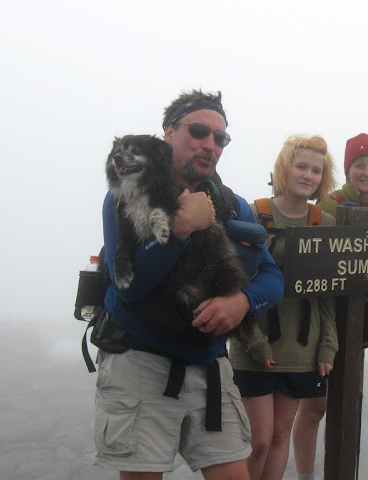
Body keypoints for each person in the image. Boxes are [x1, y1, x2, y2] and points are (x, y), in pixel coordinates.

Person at [94, 89, 284, 480]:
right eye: (199, 131)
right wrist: (181, 228)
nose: (210, 144)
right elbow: (129, 288)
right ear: (168, 133)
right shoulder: (124, 196)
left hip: (209, 364)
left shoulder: (231, 204)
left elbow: (272, 277)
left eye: (220, 138)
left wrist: (241, 303)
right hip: (139, 359)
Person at [229, 134, 339, 480]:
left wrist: (328, 345)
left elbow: (326, 293)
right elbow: (234, 284)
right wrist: (253, 342)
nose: (308, 175)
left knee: (279, 437)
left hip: (301, 347)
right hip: (254, 344)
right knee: (258, 441)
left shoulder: (325, 223)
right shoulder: (254, 214)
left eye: (316, 170)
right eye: (301, 166)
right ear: (284, 168)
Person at [293, 132, 368, 480]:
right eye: (359, 165)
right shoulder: (331, 206)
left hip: (355, 322)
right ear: (347, 171)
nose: (367, 172)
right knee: (315, 407)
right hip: (323, 320)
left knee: (344, 404)